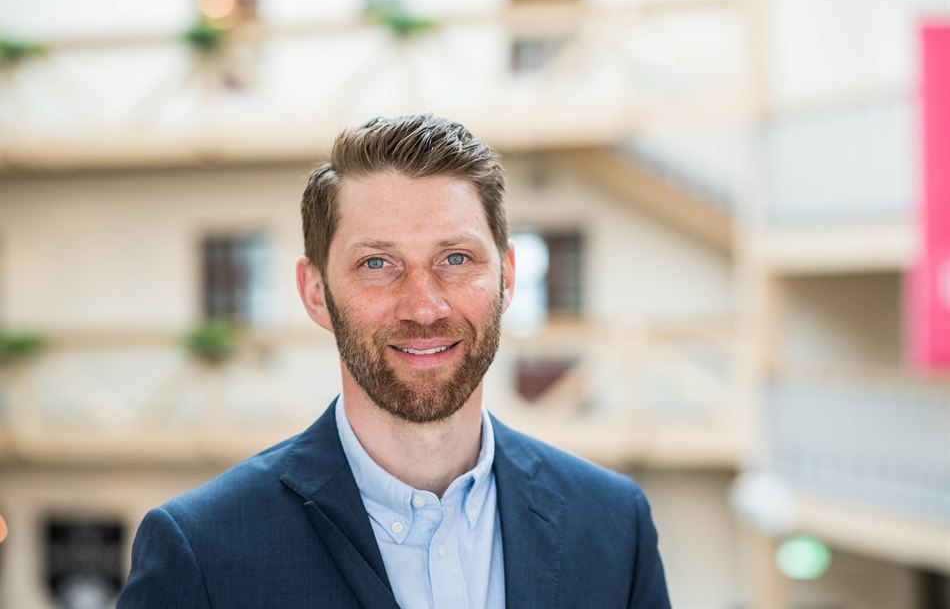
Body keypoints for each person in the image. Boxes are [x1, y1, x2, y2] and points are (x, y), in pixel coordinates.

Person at [118, 114, 670, 608]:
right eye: (378, 264)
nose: (424, 308)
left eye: (456, 258)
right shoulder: (201, 552)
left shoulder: (615, 526)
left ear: (506, 277)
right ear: (315, 292)